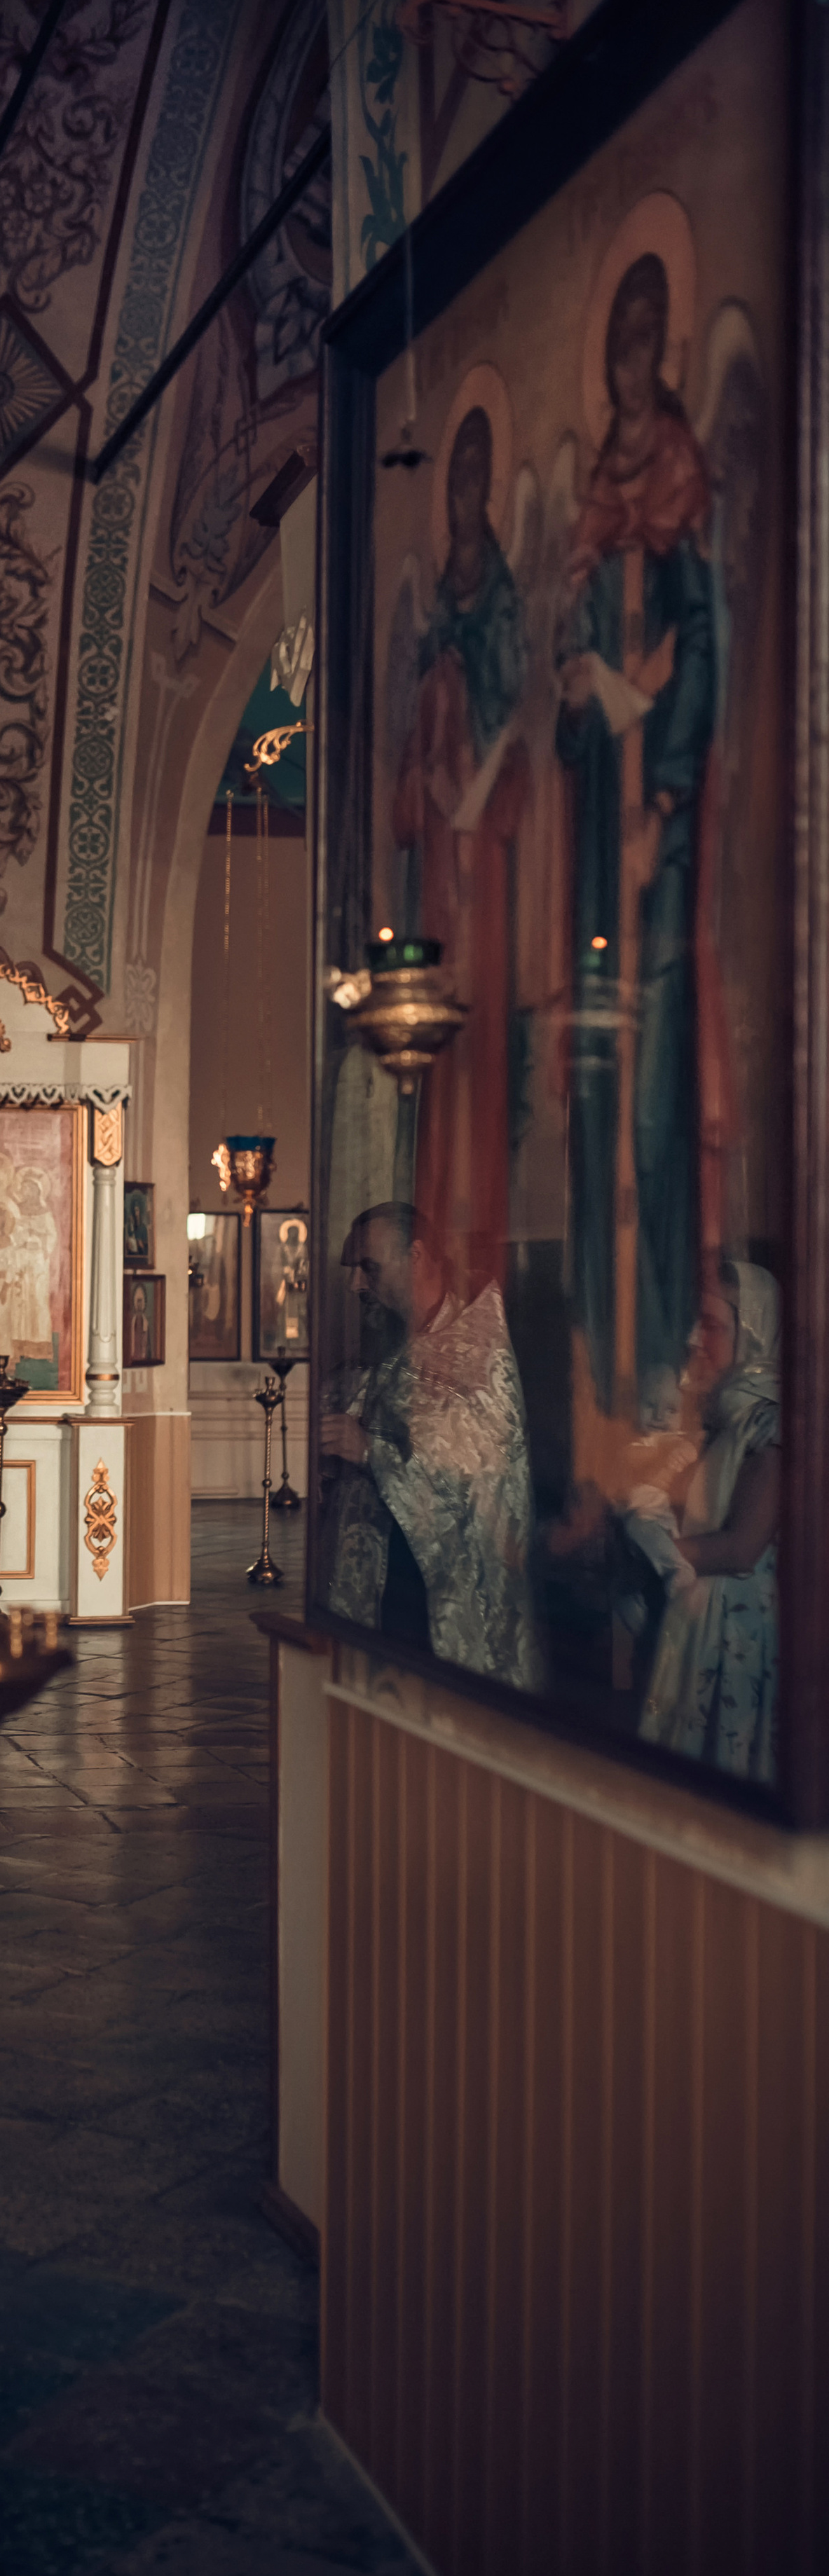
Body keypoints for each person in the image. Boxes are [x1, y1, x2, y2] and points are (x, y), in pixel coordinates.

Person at [558, 249, 718, 1419]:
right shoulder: (591, 517)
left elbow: (701, 648)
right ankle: (599, 1345)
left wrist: (662, 799)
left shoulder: (680, 491)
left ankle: (660, 1345)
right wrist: (584, 695)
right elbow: (567, 701)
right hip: (593, 853)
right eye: (620, 334)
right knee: (595, 1090)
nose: (630, 356)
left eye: (646, 336)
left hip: (653, 845)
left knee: (653, 1097)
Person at [392, 402, 530, 1297]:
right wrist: (431, 788)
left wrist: (476, 792)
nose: (467, 490)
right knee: (435, 1049)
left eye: (480, 474)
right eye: (458, 476)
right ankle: (435, 1223)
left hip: (488, 862)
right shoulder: (438, 611)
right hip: (440, 868)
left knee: (479, 1028)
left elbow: (516, 720)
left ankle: (478, 1244)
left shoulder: (503, 607)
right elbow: (412, 755)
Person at [319, 1202, 540, 1689]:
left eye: (369, 1267)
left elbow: (477, 1475)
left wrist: (369, 1451)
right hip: (388, 1581)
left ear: (416, 1256)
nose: (356, 1284)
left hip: (436, 1590)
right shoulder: (395, 1342)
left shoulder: (476, 1354)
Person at [631, 1261, 779, 1784]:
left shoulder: (772, 1422)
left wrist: (656, 1548)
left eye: (711, 1325)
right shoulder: (721, 1416)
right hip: (699, 1618)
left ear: (753, 1333)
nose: (695, 1338)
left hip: (738, 1633)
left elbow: (742, 1547)